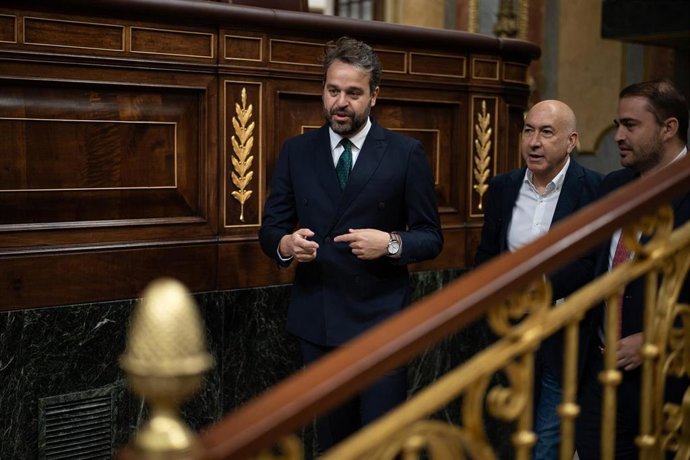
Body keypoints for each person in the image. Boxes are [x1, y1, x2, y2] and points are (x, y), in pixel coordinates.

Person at [258, 36, 443, 451]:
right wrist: (287, 244)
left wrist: (391, 243)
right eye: (333, 90)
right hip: (318, 321)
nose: (341, 102)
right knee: (331, 444)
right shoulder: (297, 151)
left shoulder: (405, 153)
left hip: (381, 322)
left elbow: (432, 238)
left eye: (353, 93)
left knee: (381, 444)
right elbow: (270, 229)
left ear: (374, 96)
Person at [474, 99, 603, 459]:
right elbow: (487, 256)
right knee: (510, 434)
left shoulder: (595, 189)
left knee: (547, 440)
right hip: (509, 332)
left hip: (565, 332)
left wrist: (544, 287)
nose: (534, 142)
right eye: (528, 130)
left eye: (547, 132)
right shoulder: (502, 187)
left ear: (571, 140)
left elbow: (595, 262)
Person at [575, 79, 690, 459]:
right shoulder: (614, 185)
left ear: (668, 128)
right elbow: (594, 264)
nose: (618, 136)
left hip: (668, 377)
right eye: (617, 124)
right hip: (599, 367)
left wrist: (657, 337)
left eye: (631, 125)